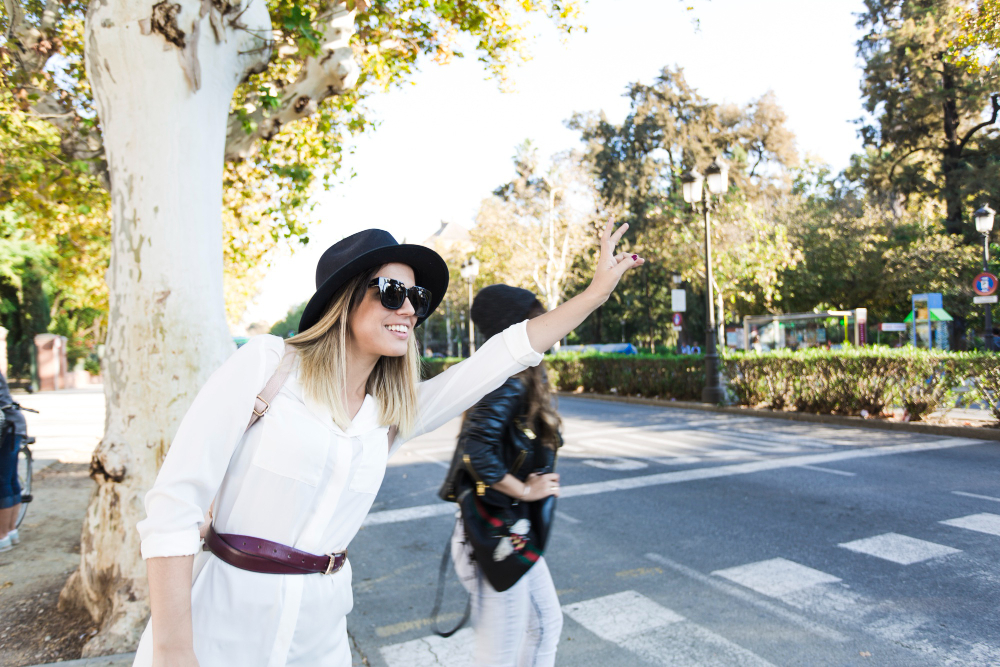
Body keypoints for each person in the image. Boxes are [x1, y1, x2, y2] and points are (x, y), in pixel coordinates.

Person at [134, 225, 642, 667]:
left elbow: (505, 354)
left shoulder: (392, 414)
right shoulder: (268, 366)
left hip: (321, 635)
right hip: (220, 625)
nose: (409, 309)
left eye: (417, 299)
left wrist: (596, 293)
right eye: (393, 292)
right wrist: (175, 652)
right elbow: (174, 507)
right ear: (346, 298)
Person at [439, 285, 564, 667]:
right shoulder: (506, 378)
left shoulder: (523, 374)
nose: (548, 326)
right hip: (492, 532)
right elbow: (476, 451)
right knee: (502, 654)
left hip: (510, 528)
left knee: (544, 626)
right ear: (515, 327)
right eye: (537, 319)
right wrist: (525, 490)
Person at [0, 372, 27, 553]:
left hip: (6, 428)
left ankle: (2, 536)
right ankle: (11, 531)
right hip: (13, 425)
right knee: (8, 479)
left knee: (3, 481)